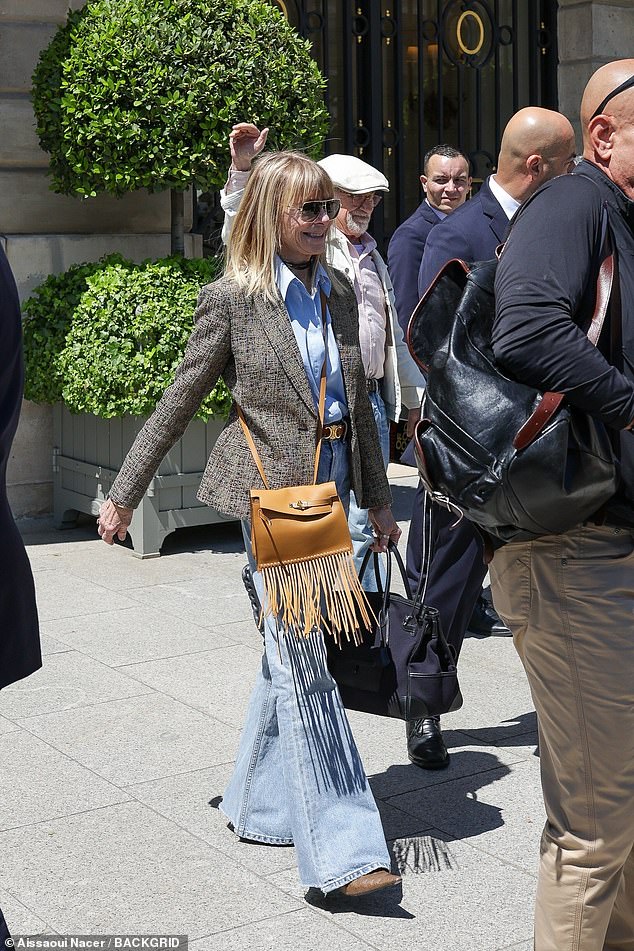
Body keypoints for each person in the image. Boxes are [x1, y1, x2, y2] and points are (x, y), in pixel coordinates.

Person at [97, 150, 402, 899]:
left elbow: (357, 400)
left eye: (330, 209)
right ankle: (348, 850)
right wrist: (126, 492)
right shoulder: (232, 299)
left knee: (285, 653)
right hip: (278, 497)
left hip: (333, 491)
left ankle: (260, 805)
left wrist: (380, 497)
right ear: (270, 215)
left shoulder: (331, 287)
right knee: (306, 665)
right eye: (312, 211)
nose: (328, 222)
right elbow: (178, 399)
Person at [491, 61, 634, 950]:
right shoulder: (573, 205)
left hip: (608, 552)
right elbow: (525, 327)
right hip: (576, 558)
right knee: (593, 829)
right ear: (606, 133)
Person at [405, 107, 577, 771]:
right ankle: (421, 707)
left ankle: (568, 703)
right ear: (536, 166)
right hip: (468, 445)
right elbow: (436, 345)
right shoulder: (460, 229)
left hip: (535, 444)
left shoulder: (547, 222)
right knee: (443, 582)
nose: (572, 182)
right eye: (564, 168)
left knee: (547, 580)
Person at [220, 125, 425, 584]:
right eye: (353, 198)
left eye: (372, 199)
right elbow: (245, 232)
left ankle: (359, 622)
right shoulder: (305, 246)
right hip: (296, 441)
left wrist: (410, 401)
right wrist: (243, 172)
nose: (363, 208)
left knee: (346, 561)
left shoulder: (369, 261)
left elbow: (394, 331)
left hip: (363, 405)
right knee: (300, 613)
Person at [387, 144, 472, 337]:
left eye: (458, 180)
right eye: (441, 180)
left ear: (468, 184)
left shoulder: (473, 224)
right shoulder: (409, 236)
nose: (451, 189)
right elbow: (407, 313)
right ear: (424, 183)